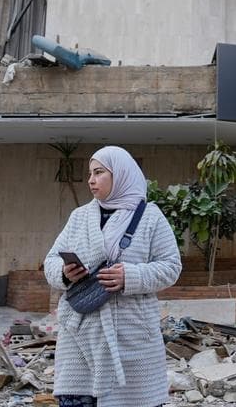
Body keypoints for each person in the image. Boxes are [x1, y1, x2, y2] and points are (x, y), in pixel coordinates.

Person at [44, 146, 182, 407]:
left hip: (131, 336)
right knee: (76, 398)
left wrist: (130, 276)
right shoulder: (79, 217)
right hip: (80, 333)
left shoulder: (150, 218)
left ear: (120, 175)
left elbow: (171, 267)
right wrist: (65, 273)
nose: (91, 180)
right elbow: (50, 261)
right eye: (89, 174)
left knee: (133, 400)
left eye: (99, 172)